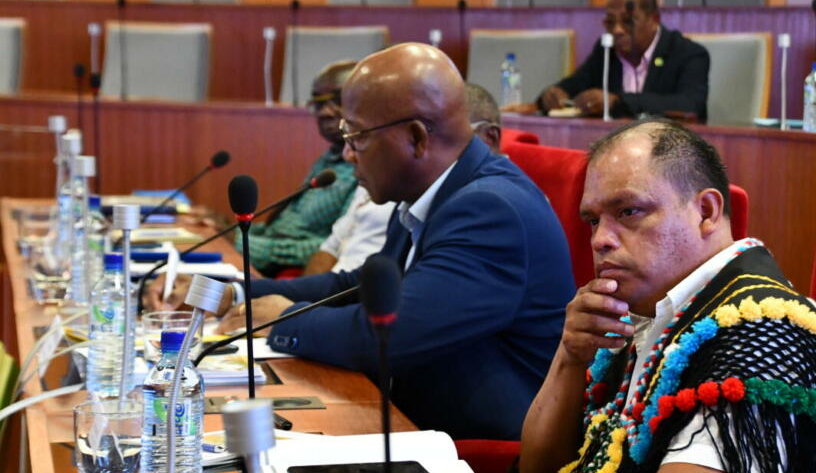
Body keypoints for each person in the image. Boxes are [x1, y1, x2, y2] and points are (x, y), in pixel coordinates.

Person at [519, 121, 816, 473]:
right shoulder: (647, 312)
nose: (601, 239)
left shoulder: (762, 332)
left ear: (706, 211)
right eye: (593, 220)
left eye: (628, 212)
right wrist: (570, 356)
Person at [216, 43, 576, 440]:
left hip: (475, 448)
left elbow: (391, 333)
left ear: (417, 138)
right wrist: (236, 294)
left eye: (356, 137)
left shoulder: (490, 211)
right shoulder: (429, 193)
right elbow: (358, 287)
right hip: (416, 419)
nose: (348, 154)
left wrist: (285, 319)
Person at [302, 81, 503, 276]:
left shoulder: (486, 205)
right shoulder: (411, 192)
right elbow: (359, 279)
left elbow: (421, 297)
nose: (429, 145)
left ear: (490, 138)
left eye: (452, 133)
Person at [241, 60, 360, 275]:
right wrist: (233, 230)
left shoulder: (365, 169)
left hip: (295, 273)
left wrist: (245, 244)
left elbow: (336, 247)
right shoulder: (328, 159)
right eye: (318, 103)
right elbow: (286, 227)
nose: (324, 112)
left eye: (337, 100)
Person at [534, 0, 710, 121]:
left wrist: (617, 101)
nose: (617, 30)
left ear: (654, 19)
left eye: (628, 21)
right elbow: (574, 85)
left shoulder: (687, 53)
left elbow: (690, 104)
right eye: (610, 22)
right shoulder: (606, 51)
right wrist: (552, 95)